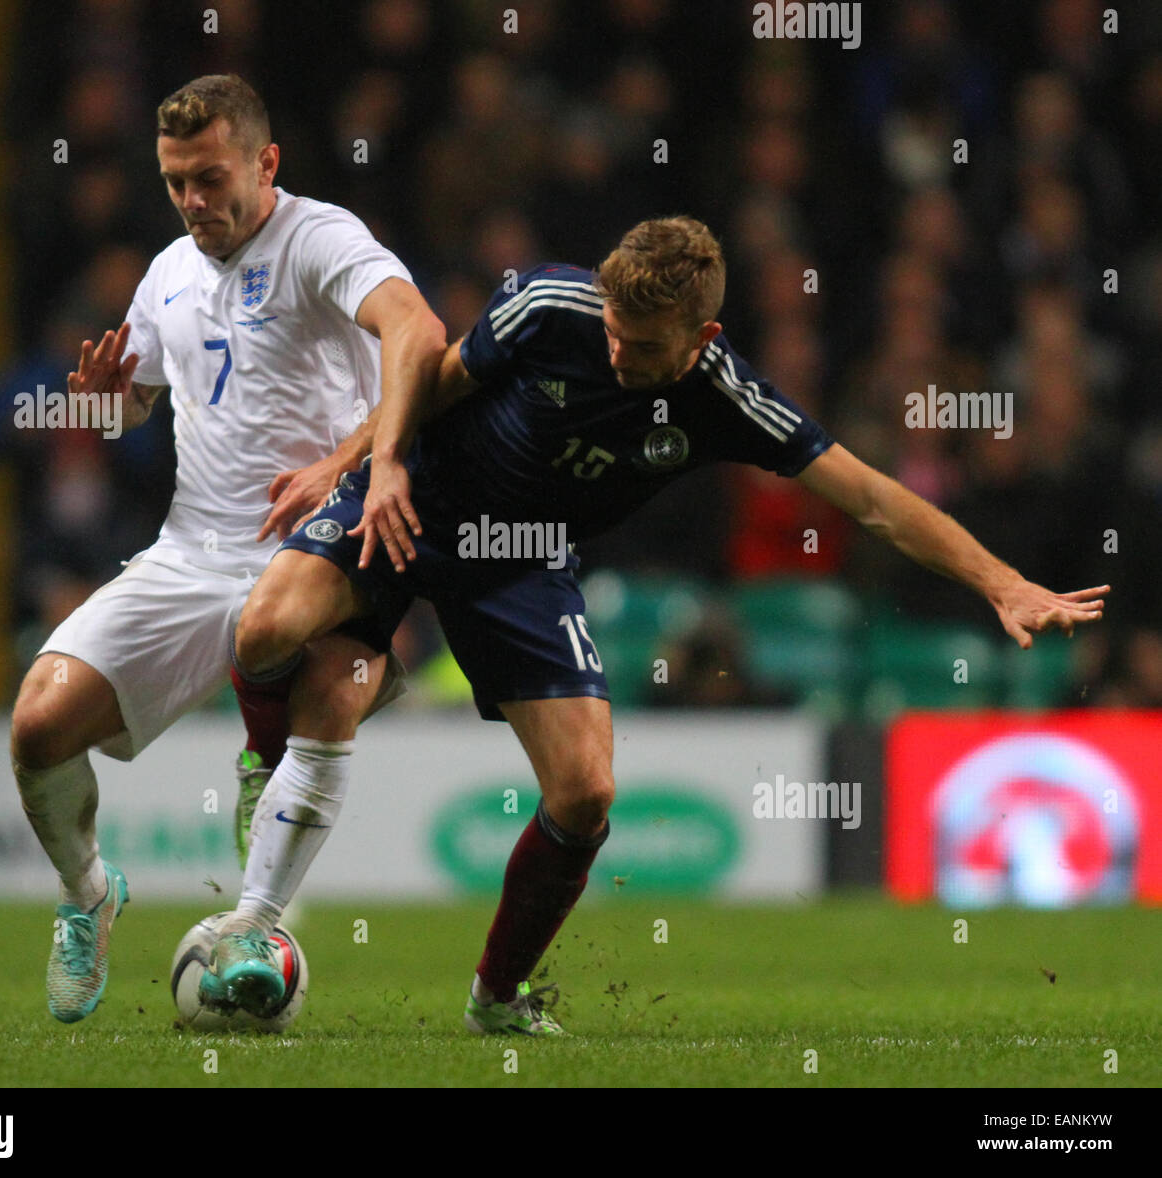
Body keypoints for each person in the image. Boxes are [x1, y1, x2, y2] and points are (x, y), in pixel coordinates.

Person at [219, 216, 1109, 1034]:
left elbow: (873, 501)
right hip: (411, 501)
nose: (615, 350)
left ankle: (496, 998)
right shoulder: (547, 305)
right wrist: (359, 464)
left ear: (702, 339)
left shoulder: (730, 400)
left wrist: (1004, 583)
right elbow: (435, 377)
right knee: (266, 628)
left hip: (522, 561)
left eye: (640, 346)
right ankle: (266, 765)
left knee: (586, 795)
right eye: (610, 329)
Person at [9, 73, 447, 1023]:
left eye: (211, 178)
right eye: (176, 183)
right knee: (37, 727)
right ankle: (88, 892)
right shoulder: (167, 269)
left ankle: (258, 906)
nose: (194, 202)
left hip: (317, 546)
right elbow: (140, 403)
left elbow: (419, 333)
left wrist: (346, 462)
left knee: (312, 672)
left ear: (266, 161)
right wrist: (106, 399)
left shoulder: (319, 239)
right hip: (192, 549)